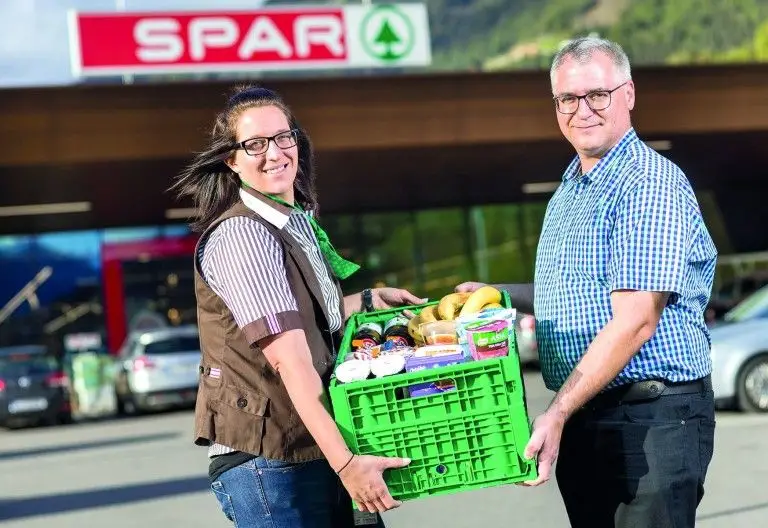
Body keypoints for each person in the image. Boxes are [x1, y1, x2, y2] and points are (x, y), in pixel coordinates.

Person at [457, 37, 717, 527]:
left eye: (597, 94)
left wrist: (555, 413)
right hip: (590, 416)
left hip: (650, 418)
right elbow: (577, 293)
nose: (583, 110)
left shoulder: (647, 183)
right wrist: (496, 294)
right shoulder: (570, 189)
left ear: (629, 94)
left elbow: (636, 320)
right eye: (568, 99)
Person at [171, 84, 425, 528]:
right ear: (231, 160)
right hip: (272, 462)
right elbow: (291, 361)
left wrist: (366, 300)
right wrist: (348, 464)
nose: (274, 153)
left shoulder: (291, 221)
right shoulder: (243, 236)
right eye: (254, 144)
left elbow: (304, 317)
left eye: (283, 137)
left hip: (312, 444)